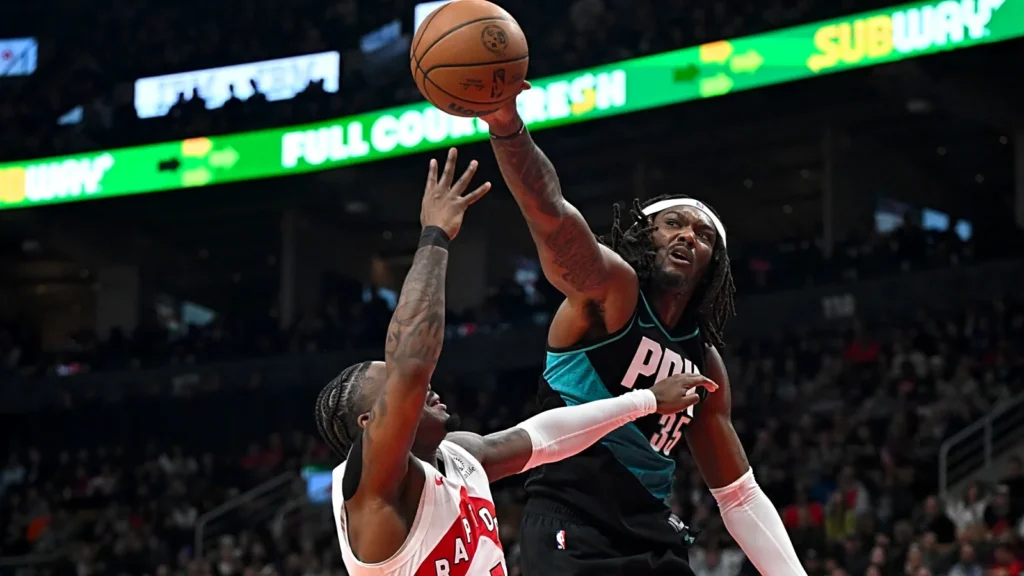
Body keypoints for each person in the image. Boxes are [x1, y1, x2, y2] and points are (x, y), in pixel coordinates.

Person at [315, 148, 718, 576]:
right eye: (391, 386)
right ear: (369, 424)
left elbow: (547, 436)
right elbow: (412, 367)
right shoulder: (371, 490)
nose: (424, 388)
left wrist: (646, 401)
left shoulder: (460, 457)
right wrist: (435, 235)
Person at [481, 91, 805, 575]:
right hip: (573, 524)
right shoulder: (611, 292)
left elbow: (739, 496)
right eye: (672, 224)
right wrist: (507, 125)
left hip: (651, 532)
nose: (687, 235)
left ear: (712, 264)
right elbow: (550, 215)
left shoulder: (705, 362)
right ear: (645, 236)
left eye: (703, 236)